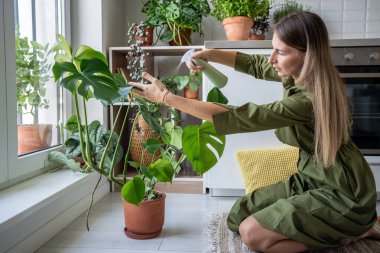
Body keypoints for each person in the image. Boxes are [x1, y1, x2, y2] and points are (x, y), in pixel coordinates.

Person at [129, 12, 380, 253]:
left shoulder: (308, 99)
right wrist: (211, 54)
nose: (272, 58)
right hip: (312, 178)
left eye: (281, 52)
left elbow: (240, 117)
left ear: (307, 55)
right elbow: (257, 65)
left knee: (253, 234)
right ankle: (334, 225)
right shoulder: (298, 74)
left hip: (344, 195)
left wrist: (166, 98)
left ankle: (350, 233)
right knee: (238, 216)